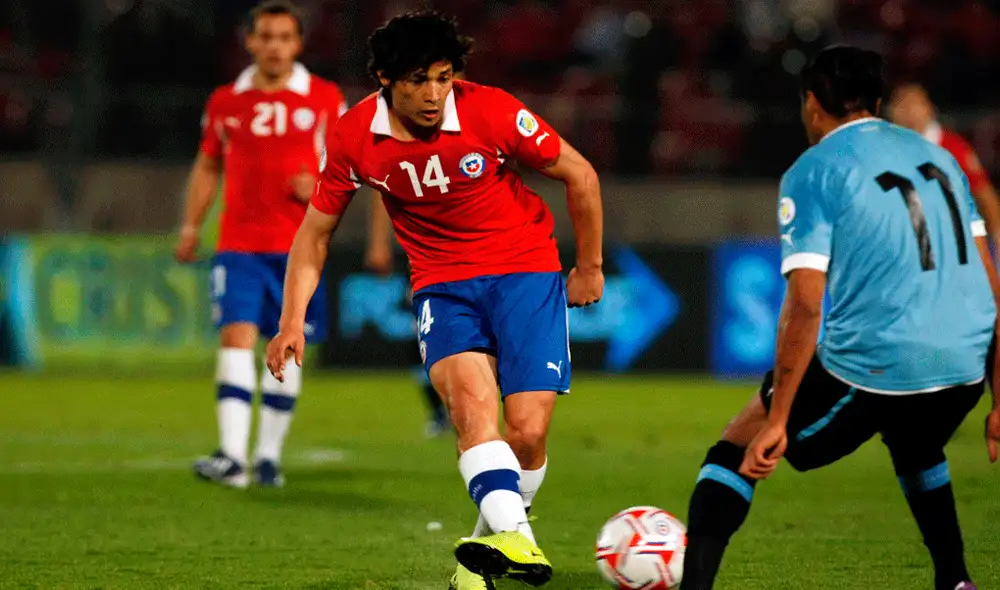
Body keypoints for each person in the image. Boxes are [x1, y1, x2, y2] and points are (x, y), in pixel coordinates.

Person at [265, 11, 604, 589]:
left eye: (443, 77)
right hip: (442, 283)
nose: (433, 94)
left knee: (525, 432)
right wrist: (290, 319)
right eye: (418, 80)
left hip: (525, 269)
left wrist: (590, 267)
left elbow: (580, 175)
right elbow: (314, 233)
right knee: (472, 411)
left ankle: (482, 554)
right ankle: (521, 542)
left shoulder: (490, 110)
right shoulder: (353, 138)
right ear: (383, 80)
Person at [679, 46, 1000, 590]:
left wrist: (779, 417)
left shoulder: (815, 169)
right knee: (917, 443)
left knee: (735, 447)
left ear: (810, 102)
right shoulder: (941, 157)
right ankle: (956, 580)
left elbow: (805, 302)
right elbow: (991, 279)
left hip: (877, 366)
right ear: (877, 101)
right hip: (967, 368)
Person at [174, 0, 347, 488]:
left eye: (284, 37)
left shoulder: (324, 98)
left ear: (298, 44)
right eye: (265, 36)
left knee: (290, 348)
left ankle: (267, 457)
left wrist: (316, 185)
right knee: (236, 337)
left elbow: (349, 171)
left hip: (300, 250)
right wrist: (190, 227)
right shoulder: (227, 100)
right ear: (249, 41)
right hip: (239, 245)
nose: (274, 46)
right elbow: (208, 165)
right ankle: (232, 456)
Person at [363, 190, 450, 437]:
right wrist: (379, 242)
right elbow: (380, 188)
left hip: (457, 249)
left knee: (452, 333)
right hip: (418, 250)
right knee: (423, 336)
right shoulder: (401, 158)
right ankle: (441, 410)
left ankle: (459, 406)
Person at [889, 84, 1000, 245]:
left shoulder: (952, 147)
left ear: (930, 109)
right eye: (901, 104)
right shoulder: (886, 149)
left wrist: (997, 232)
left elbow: (983, 192)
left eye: (914, 104)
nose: (908, 111)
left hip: (952, 241)